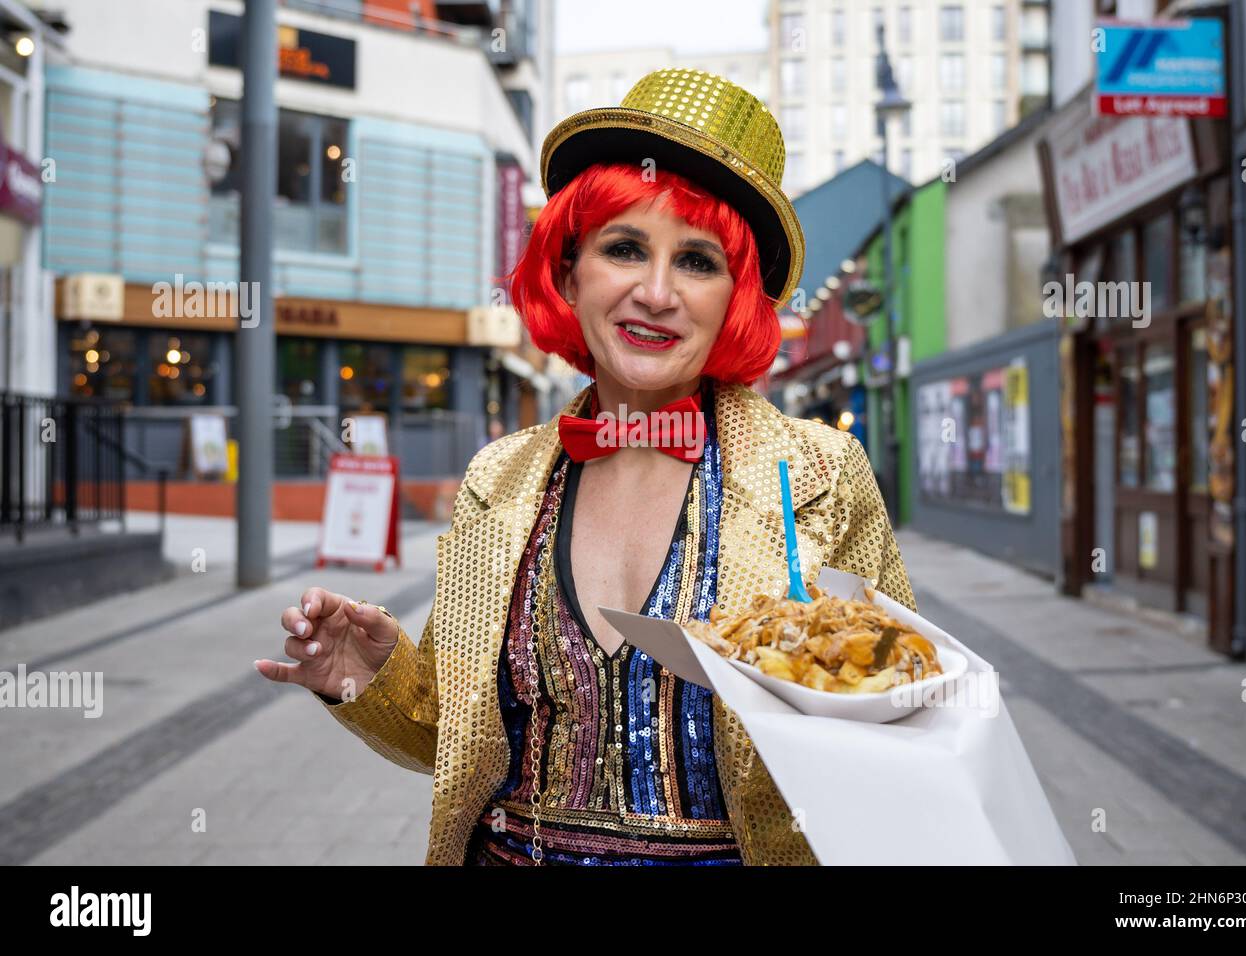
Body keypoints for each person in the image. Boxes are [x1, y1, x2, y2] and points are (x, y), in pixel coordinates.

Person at [255, 67, 916, 866]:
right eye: (625, 248)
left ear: (735, 297)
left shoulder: (820, 472)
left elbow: (902, 721)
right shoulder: (498, 481)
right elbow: (454, 737)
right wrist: (369, 676)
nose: (658, 291)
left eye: (699, 262)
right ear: (570, 273)